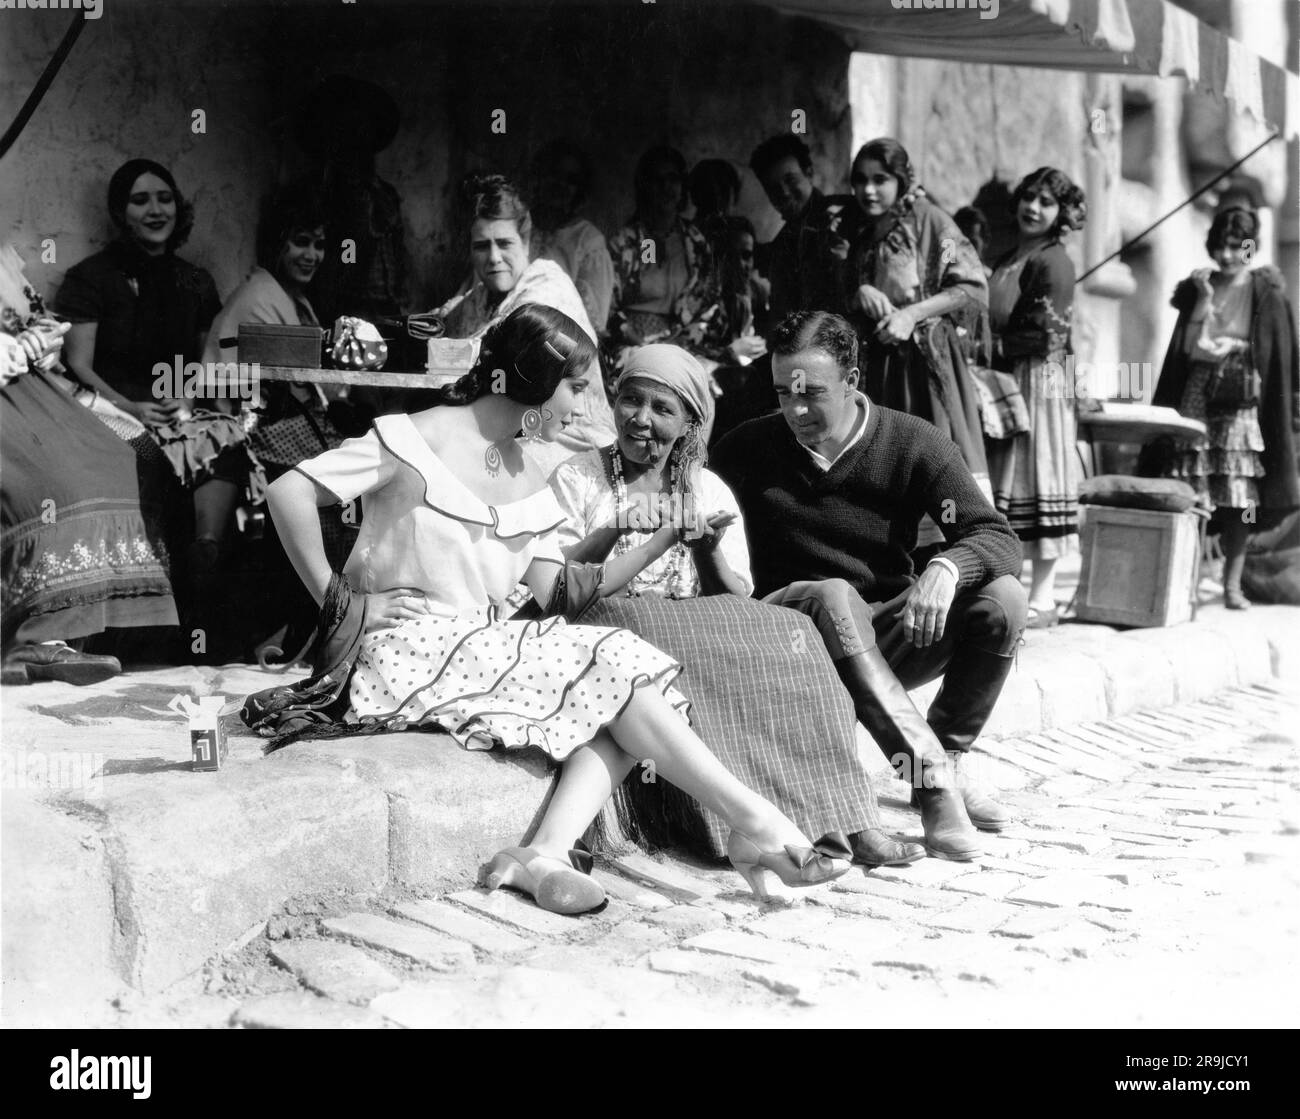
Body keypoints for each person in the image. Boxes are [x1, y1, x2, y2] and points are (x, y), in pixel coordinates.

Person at [243, 305, 849, 912]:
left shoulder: (527, 467)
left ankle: (547, 855)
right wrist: (341, 602)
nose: (586, 410)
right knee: (614, 667)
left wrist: (661, 536)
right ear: (532, 378)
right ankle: (758, 825)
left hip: (475, 646)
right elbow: (288, 490)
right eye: (576, 387)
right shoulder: (410, 436)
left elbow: (562, 590)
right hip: (399, 651)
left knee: (622, 682)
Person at [550, 342, 924, 868]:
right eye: (631, 400)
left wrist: (704, 551)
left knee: (792, 639)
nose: (641, 419)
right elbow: (557, 586)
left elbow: (735, 602)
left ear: (688, 423)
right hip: (610, 623)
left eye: (662, 409)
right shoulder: (577, 477)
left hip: (692, 620)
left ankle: (850, 818)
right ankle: (751, 829)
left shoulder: (708, 489)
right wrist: (618, 527)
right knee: (678, 638)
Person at [712, 311, 1029, 856]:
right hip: (791, 641)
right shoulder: (744, 448)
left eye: (812, 393)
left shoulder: (913, 443)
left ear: (853, 381)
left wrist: (946, 567)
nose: (796, 409)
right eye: (783, 393)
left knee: (1004, 599)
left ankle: (946, 757)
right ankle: (933, 787)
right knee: (833, 592)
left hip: (885, 635)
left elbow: (996, 537)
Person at [57, 158, 248, 637]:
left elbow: (209, 355)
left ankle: (204, 564)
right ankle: (145, 618)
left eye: (164, 198)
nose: (155, 209)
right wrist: (130, 406)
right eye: (140, 201)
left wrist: (186, 401)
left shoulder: (195, 280)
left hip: (178, 402)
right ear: (121, 213)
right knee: (146, 453)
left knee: (222, 444)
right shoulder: (92, 278)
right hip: (109, 405)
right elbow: (78, 365)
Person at [1, 244, 176, 683]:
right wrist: (15, 350)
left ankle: (82, 635)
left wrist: (41, 343)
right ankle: (29, 639)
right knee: (54, 481)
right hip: (9, 394)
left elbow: (43, 336)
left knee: (127, 454)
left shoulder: (5, 265)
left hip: (32, 389)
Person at [1147, 206, 1300, 609]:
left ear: (1251, 247)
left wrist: (1237, 348)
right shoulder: (1200, 287)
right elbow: (1187, 347)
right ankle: (1186, 580)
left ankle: (1231, 583)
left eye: (1237, 247)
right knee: (1195, 490)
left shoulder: (1266, 291)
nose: (1228, 255)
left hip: (1244, 399)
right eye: (1222, 246)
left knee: (1240, 498)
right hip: (1199, 393)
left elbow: (1282, 355)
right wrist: (1206, 300)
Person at [428, 173, 615, 467]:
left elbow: (489, 361)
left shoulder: (547, 288)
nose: (493, 257)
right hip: (512, 427)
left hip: (568, 438)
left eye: (504, 243)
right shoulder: (478, 295)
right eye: (481, 246)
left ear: (526, 240)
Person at [843, 139, 991, 511]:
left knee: (935, 458)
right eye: (860, 180)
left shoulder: (931, 222)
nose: (869, 190)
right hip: (882, 364)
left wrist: (911, 315)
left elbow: (970, 287)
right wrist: (861, 290)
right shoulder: (863, 231)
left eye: (880, 179)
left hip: (926, 364)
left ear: (902, 179)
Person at [984, 167, 1087, 626]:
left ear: (1060, 213)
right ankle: (1012, 586)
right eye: (1029, 197)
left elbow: (1047, 334)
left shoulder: (1054, 262)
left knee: (1037, 471)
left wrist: (992, 348)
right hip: (1009, 375)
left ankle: (1043, 597)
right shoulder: (1009, 258)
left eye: (1046, 202)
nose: (1033, 208)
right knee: (1011, 473)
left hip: (1040, 380)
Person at [606, 146, 744, 383]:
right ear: (644, 186)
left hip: (685, 347)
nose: (665, 188)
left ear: (683, 187)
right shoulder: (625, 242)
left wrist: (679, 343)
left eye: (673, 179)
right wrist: (639, 342)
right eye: (657, 180)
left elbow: (710, 305)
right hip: (631, 348)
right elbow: (606, 306)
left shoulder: (696, 242)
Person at [293, 75, 408, 325]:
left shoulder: (385, 195)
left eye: (364, 129)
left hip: (385, 310)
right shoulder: (316, 192)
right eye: (348, 129)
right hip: (337, 310)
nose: (357, 138)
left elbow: (397, 256)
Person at [749, 134, 861, 324]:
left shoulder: (850, 213)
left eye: (791, 180)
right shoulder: (780, 246)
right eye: (773, 188)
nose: (784, 192)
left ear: (809, 173)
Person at [528, 140, 615, 334]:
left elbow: (593, 321)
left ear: (580, 190)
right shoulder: (519, 228)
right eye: (553, 175)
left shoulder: (588, 241)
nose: (560, 185)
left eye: (571, 180)